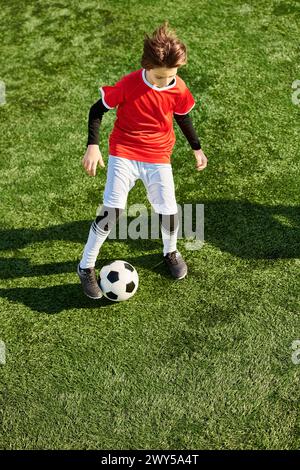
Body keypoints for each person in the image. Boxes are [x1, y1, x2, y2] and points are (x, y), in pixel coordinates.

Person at [77, 20, 208, 299]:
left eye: (171, 76)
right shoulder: (129, 84)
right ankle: (86, 266)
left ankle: (170, 252)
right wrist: (93, 146)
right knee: (112, 211)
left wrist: (196, 148)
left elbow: (183, 116)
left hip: (158, 155)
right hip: (124, 151)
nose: (165, 82)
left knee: (169, 210)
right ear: (147, 67)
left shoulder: (178, 87)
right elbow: (97, 110)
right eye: (160, 77)